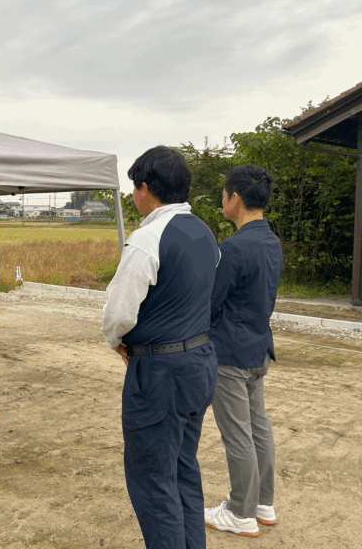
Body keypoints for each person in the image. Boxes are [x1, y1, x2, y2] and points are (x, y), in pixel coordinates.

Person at [102, 146, 220, 549]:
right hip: (200, 362)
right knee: (183, 466)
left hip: (160, 373)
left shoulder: (148, 238)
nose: (133, 196)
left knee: (153, 479)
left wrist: (117, 343)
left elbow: (118, 313)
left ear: (145, 188)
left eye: (134, 188)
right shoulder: (205, 233)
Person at [204, 165, 283, 537]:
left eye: (224, 194)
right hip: (258, 348)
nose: (223, 200)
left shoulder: (233, 248)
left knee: (237, 434)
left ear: (235, 198)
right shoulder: (271, 241)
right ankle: (262, 503)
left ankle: (240, 512)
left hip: (231, 354)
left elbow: (211, 302)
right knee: (259, 429)